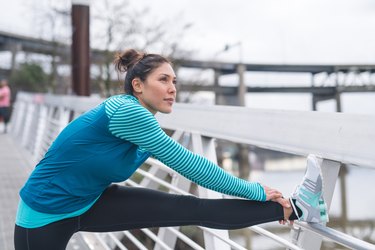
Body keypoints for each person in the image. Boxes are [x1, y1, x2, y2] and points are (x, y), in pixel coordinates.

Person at [14, 49, 328, 250]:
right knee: (190, 207)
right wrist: (255, 190)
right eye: (163, 80)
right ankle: (289, 205)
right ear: (137, 85)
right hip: (44, 216)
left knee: (189, 208)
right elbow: (193, 166)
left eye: (174, 81)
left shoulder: (143, 121)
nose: (172, 88)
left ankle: (297, 207)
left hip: (89, 201)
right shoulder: (127, 112)